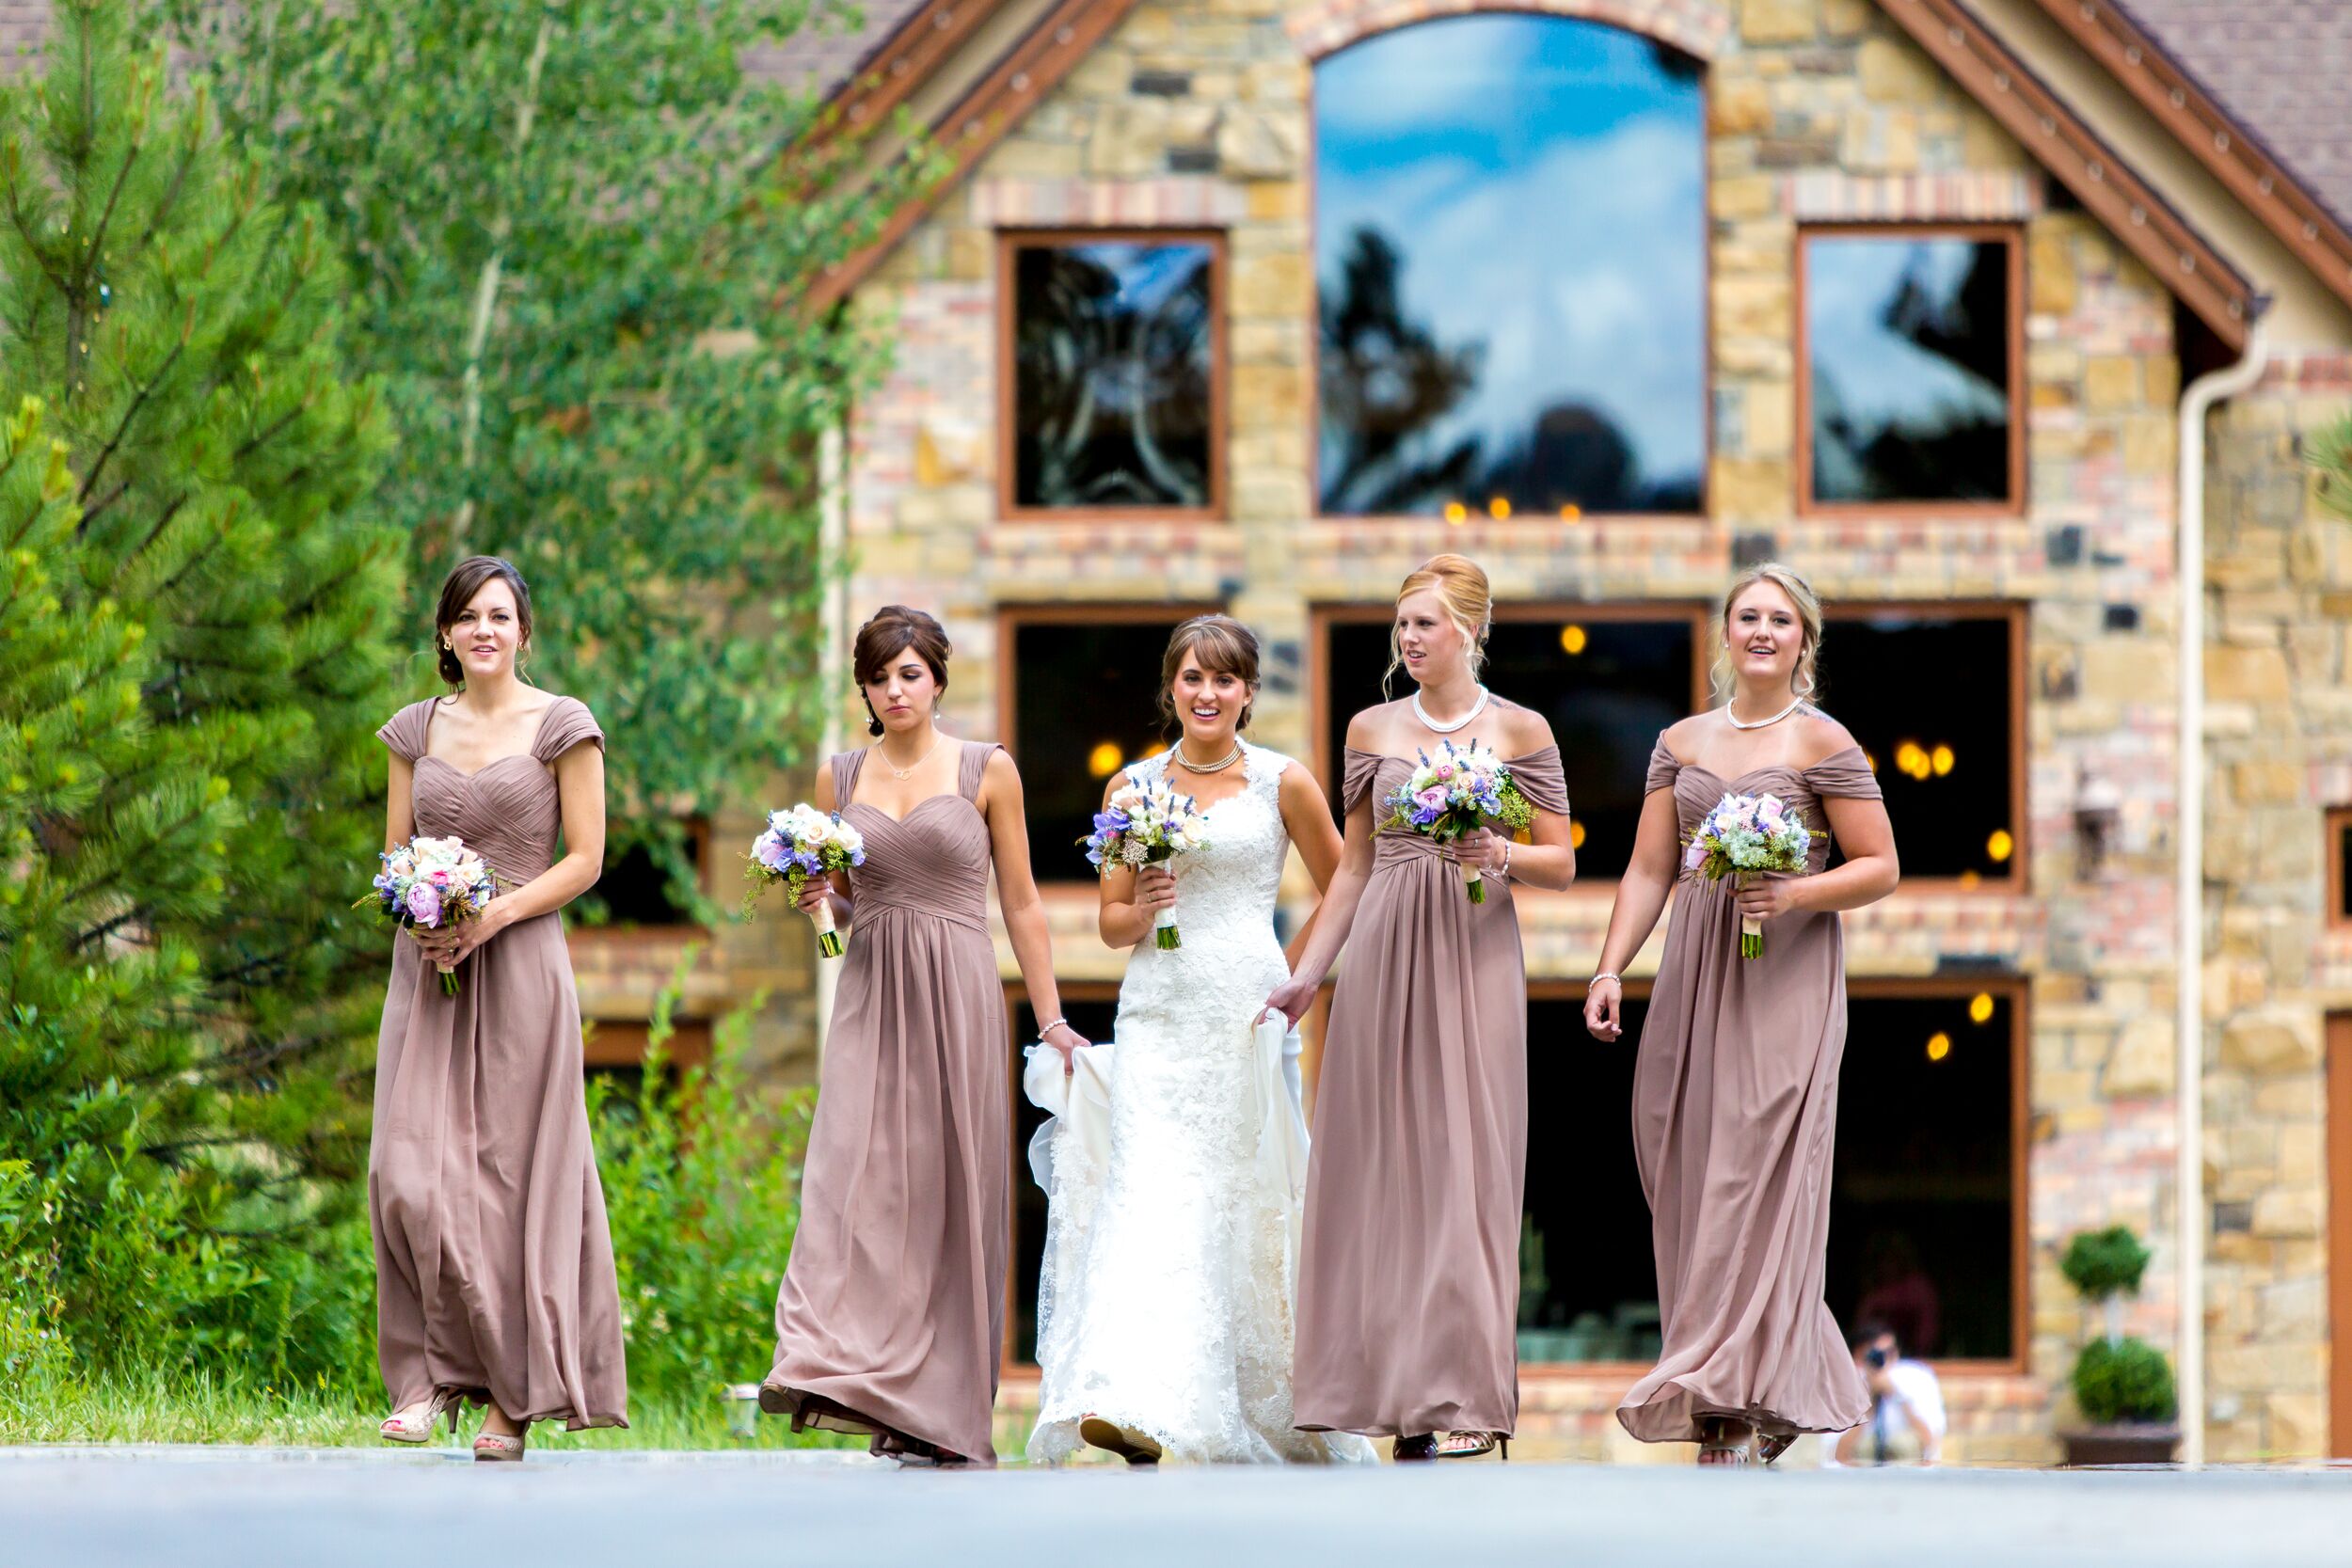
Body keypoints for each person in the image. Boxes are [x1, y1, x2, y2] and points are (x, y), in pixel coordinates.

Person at [1028, 617, 1375, 1466]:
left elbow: (1345, 889)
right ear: (1171, 688)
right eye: (1191, 678)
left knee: (1242, 1198)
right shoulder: (1130, 790)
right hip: (1156, 1011)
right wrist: (1141, 905)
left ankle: (1264, 1397)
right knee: (1150, 1190)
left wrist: (1297, 979)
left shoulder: (1283, 783)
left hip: (1246, 1012)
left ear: (1249, 692)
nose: (1207, 693)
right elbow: (1109, 923)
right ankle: (1131, 1399)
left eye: (1224, 679)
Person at [1584, 562, 1899, 1466]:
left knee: (1758, 1168)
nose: (1762, 630)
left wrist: (1796, 893)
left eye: (1781, 619)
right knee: (1685, 1160)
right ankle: (1734, 1382)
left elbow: (1879, 863)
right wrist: (1611, 967)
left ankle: (1729, 1396)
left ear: (1804, 640)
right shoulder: (1678, 741)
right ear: (1725, 633)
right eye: (1747, 616)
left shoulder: (1822, 742)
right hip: (1693, 971)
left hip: (1786, 977)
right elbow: (1650, 869)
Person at [759, 606, 1088, 1467]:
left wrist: (1049, 1015)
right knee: (849, 1179)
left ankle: (938, 1410)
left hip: (958, 989)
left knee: (948, 1191)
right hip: (870, 989)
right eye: (879, 676)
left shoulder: (989, 770)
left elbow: (1020, 902)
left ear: (937, 678)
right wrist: (822, 912)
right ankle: (837, 1365)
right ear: (864, 688)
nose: (895, 689)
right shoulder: (840, 776)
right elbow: (837, 923)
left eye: (910, 672)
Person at [1267, 555, 1574, 1462]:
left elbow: (1561, 859)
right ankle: (1390, 1396)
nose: (1408, 639)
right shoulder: (1370, 727)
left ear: (1470, 630)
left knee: (1467, 1164)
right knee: (1378, 1164)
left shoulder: (1522, 729)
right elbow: (1354, 866)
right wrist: (1309, 976)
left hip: (1476, 947)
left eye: (1425, 624)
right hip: (1387, 951)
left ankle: (1465, 1393)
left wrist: (1499, 853)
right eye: (1401, 625)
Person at [372, 555, 627, 1461]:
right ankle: (424, 1376)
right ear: (445, 634)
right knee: (406, 1172)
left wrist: (496, 914)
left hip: (519, 963)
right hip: (430, 967)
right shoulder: (412, 730)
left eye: (500, 615)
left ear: (525, 631)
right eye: (467, 616)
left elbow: (586, 856)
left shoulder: (563, 725)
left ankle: (509, 1402)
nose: (484, 629)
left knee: (509, 1181)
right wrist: (425, 916)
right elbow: (394, 854)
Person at [1828, 1322, 1947, 1466]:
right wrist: (1868, 1402)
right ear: (1858, 1355)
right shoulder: (1844, 1384)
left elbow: (1930, 1444)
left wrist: (1896, 1395)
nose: (1884, 1361)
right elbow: (1838, 1454)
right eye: (1876, 1355)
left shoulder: (1918, 1378)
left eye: (1890, 1353)